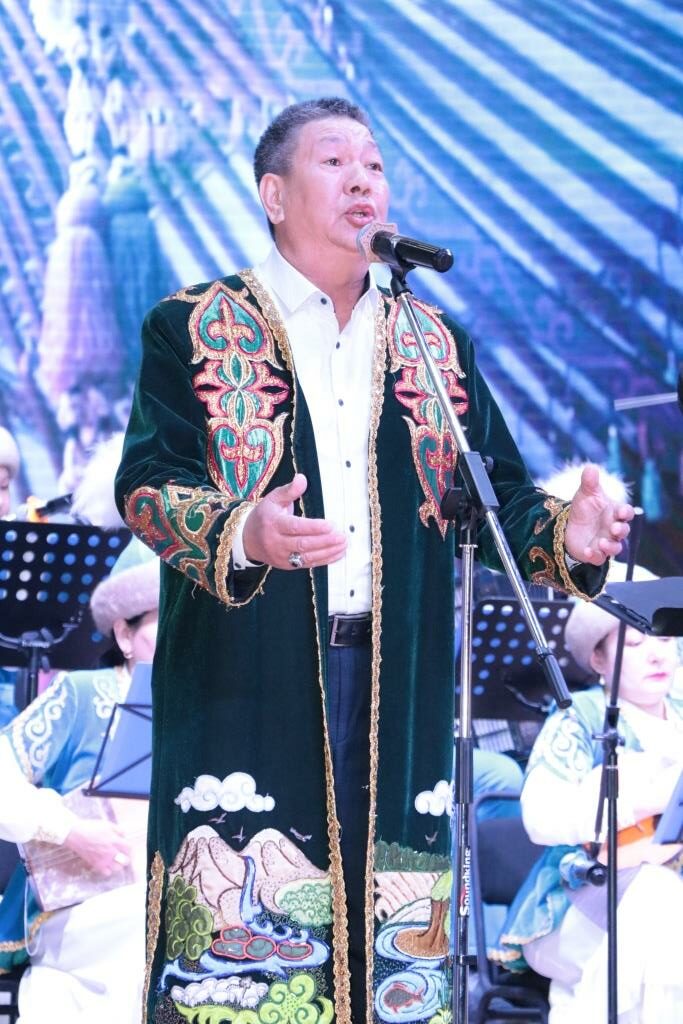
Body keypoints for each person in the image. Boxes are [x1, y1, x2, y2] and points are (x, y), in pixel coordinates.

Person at [115, 97, 633, 1024]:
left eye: (375, 165)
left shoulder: (434, 343)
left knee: (396, 930)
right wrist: (245, 532)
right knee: (249, 911)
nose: (363, 180)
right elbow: (148, 483)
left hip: (402, 679)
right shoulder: (194, 325)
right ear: (274, 194)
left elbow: (497, 498)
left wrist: (571, 535)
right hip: (249, 672)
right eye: (334, 162)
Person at [492, 564, 683, 1023]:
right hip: (582, 903)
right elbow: (540, 816)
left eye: (664, 640)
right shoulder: (581, 719)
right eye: (634, 645)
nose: (656, 655)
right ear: (598, 659)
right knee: (658, 901)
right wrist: (649, 797)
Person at [0, 536, 159, 1023]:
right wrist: (71, 831)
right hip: (83, 909)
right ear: (125, 634)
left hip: (166, 898)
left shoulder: (208, 712)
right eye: (163, 623)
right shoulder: (83, 693)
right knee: (144, 924)